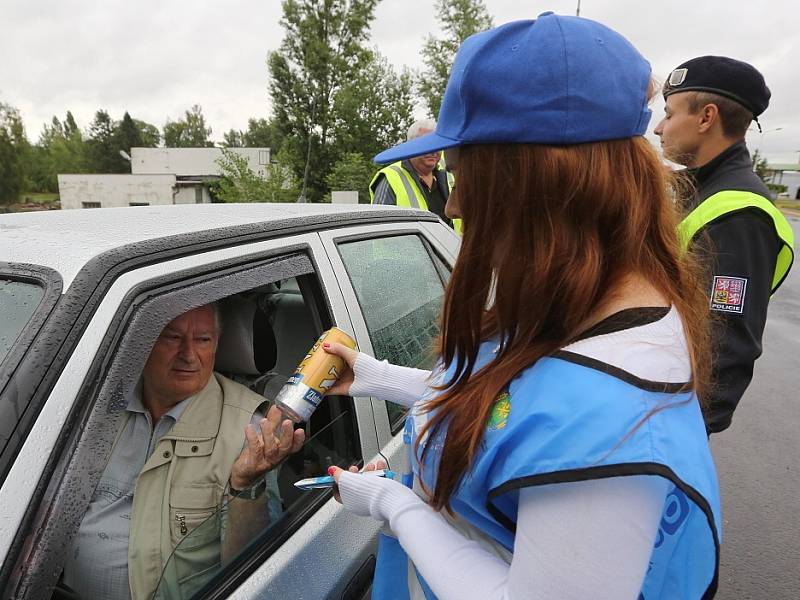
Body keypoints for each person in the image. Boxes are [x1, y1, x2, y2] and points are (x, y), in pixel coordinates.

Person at [323, 12, 721, 600]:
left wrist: (392, 502)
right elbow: (510, 408)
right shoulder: (582, 308)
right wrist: (379, 378)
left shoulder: (605, 418)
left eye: (466, 175)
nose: (454, 204)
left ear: (541, 187)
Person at [62, 304, 304, 600]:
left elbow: (252, 570)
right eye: (172, 338)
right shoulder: (100, 407)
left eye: (203, 340)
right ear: (143, 342)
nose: (188, 355)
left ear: (217, 344)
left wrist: (246, 485)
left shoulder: (250, 430)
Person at [654, 56, 795, 433]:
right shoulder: (702, 191)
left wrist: (682, 438)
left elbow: (727, 346)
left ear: (706, 118)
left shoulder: (740, 212)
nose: (658, 127)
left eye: (669, 114)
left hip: (669, 424)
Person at [370, 118, 461, 232]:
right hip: (412, 249)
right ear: (411, 146)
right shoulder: (391, 177)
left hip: (450, 248)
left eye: (437, 145)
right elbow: (379, 227)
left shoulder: (450, 172)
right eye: (426, 145)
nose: (433, 151)